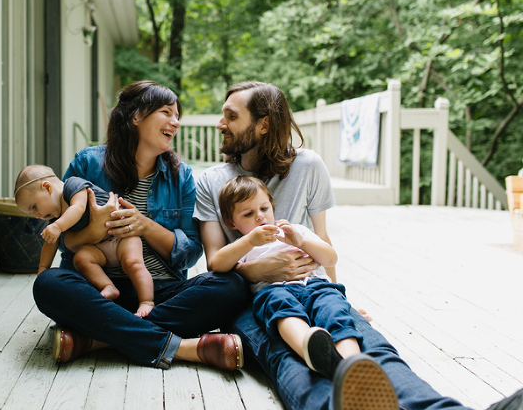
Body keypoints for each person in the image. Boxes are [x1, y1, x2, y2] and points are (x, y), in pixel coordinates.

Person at [194, 81, 523, 410]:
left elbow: (323, 240)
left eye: (231, 116)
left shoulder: (307, 165)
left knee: (367, 345)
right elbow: (215, 263)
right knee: (287, 355)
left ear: (263, 124)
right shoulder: (211, 181)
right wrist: (259, 270)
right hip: (254, 298)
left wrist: (336, 292)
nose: (221, 123)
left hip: (313, 284)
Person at [33, 80, 249, 371]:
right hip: (96, 292)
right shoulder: (87, 163)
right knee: (48, 284)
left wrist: (144, 226)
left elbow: (191, 251)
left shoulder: (180, 176)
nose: (175, 122)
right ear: (136, 116)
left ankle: (99, 337)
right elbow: (61, 239)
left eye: (177, 116)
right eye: (166, 112)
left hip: (159, 294)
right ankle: (182, 347)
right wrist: (93, 232)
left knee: (232, 286)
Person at [210, 175, 365, 381]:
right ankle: (310, 350)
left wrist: (301, 242)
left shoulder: (296, 230)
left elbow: (330, 259)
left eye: (264, 209)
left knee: (334, 311)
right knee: (281, 310)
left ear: (272, 206)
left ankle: (351, 365)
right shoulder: (243, 245)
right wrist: (249, 241)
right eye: (248, 214)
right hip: (274, 291)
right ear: (232, 222)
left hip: (316, 285)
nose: (259, 217)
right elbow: (216, 264)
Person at [14, 164, 155, 317]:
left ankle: (147, 301)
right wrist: (43, 269)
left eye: (34, 207)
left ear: (47, 187)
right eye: (31, 213)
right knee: (81, 259)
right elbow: (50, 243)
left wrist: (58, 226)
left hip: (121, 236)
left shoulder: (72, 186)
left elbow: (78, 208)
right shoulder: (55, 218)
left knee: (133, 263)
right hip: (99, 249)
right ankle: (108, 286)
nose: (36, 215)